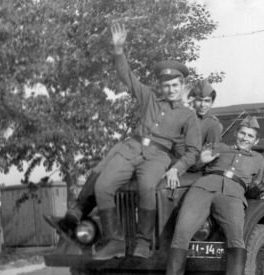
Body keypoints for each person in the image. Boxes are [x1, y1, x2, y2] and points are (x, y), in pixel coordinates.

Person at [45, 23, 201, 260]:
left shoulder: (188, 116)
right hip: (131, 149)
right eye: (166, 85)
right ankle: (115, 241)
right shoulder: (149, 96)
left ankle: (143, 242)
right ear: (160, 86)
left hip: (158, 156)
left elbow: (193, 151)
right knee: (102, 187)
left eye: (175, 86)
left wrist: (176, 169)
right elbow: (126, 76)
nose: (170, 90)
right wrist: (119, 50)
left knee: (148, 188)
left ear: (182, 86)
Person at [155, 116, 264, 275]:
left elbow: (256, 186)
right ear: (236, 134)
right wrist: (200, 160)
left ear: (255, 141)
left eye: (250, 136)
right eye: (242, 133)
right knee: (181, 233)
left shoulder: (258, 159)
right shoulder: (219, 147)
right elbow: (194, 166)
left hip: (233, 194)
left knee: (237, 238)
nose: (245, 138)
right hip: (204, 187)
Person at [171, 79, 222, 162]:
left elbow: (210, 155)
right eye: (199, 100)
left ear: (212, 102)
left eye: (207, 101)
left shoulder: (213, 125)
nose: (202, 105)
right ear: (192, 100)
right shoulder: (186, 114)